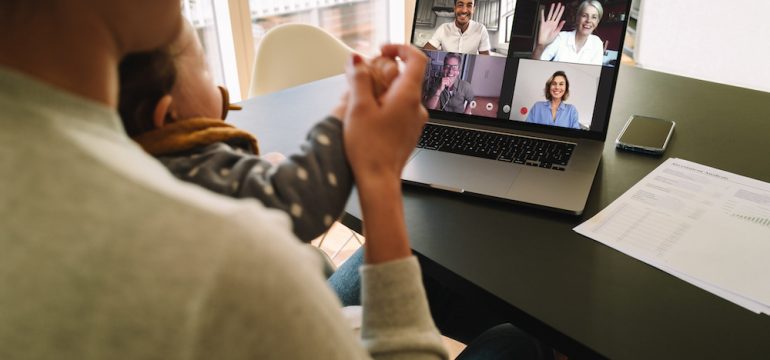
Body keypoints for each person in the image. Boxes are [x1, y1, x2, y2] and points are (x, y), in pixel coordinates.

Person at [0, 1, 449, 358]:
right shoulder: (227, 254)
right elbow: (296, 203)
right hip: (306, 310)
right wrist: (378, 174)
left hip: (304, 300)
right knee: (510, 338)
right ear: (165, 114)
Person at [118, 18, 361, 243]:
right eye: (205, 69)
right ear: (169, 113)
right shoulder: (198, 168)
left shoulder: (142, 167)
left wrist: (258, 174)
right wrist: (344, 113)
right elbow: (306, 200)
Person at [532, 1, 605, 65]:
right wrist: (540, 46)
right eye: (584, 15)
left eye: (594, 17)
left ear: (597, 22)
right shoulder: (561, 38)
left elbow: (594, 75)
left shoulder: (597, 44)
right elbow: (535, 64)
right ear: (577, 18)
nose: (589, 20)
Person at [423, 0, 491, 55]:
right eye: (460, 5)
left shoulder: (481, 29)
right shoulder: (443, 29)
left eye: (469, 5)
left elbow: (486, 60)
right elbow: (424, 53)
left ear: (473, 9)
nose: (464, 10)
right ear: (455, 8)